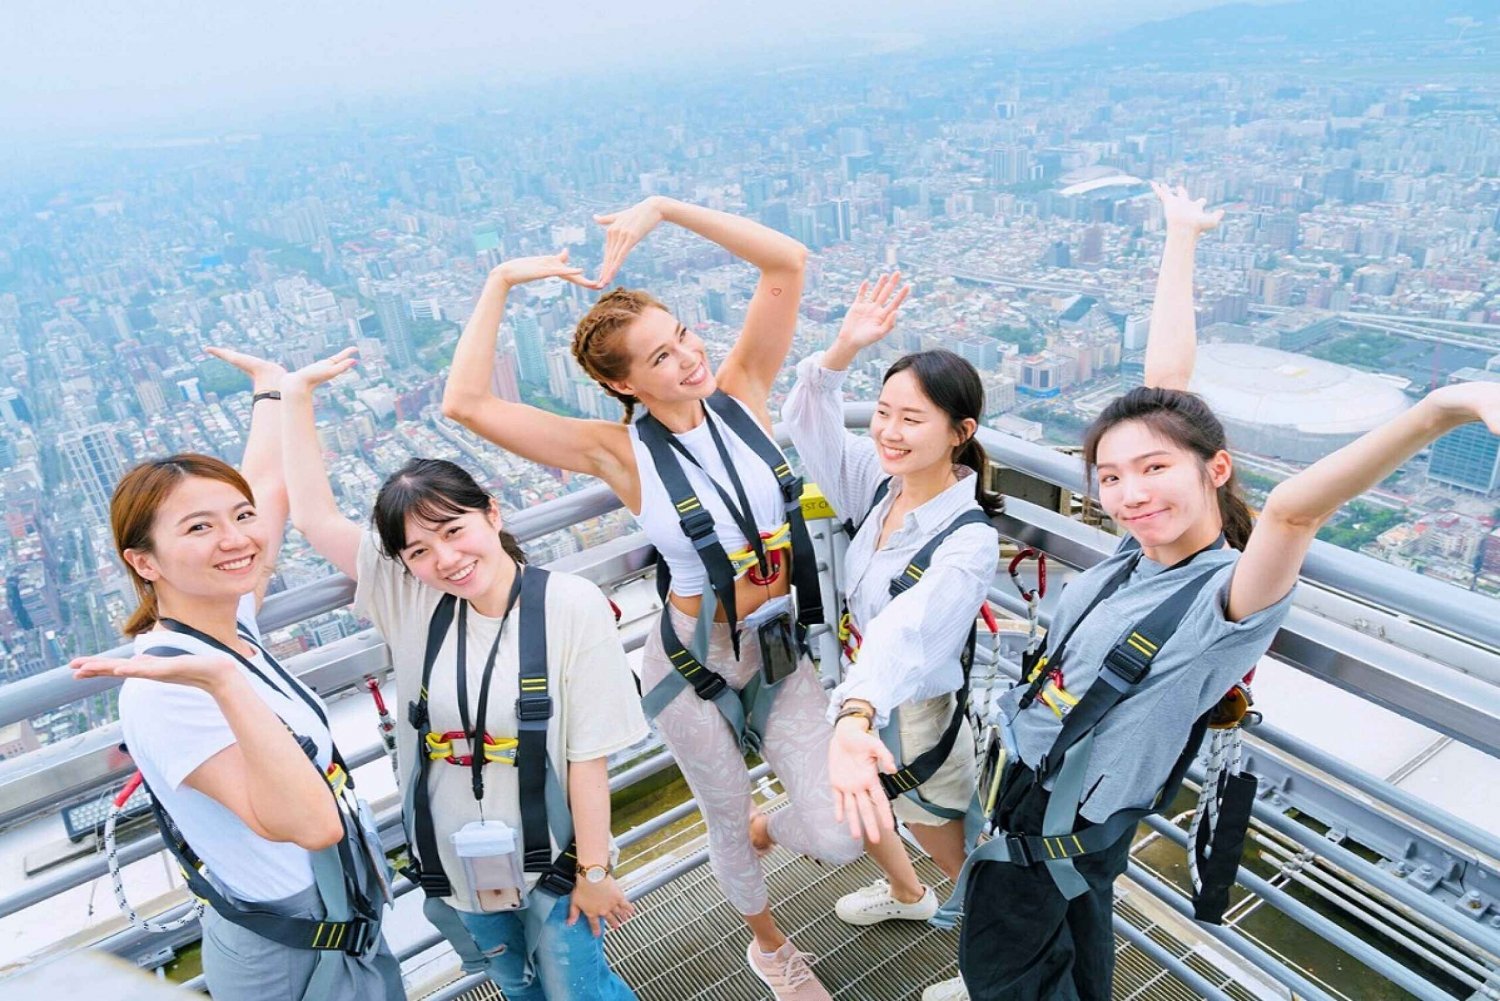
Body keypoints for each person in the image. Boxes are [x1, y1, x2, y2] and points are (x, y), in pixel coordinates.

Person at [946, 185, 1500, 1000]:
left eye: (1155, 469)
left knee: (1007, 968)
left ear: (1217, 468)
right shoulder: (1138, 557)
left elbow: (1294, 509)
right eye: (1111, 475)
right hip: (1034, 800)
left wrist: (1439, 411)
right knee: (1075, 937)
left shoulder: (1222, 601)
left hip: (1052, 832)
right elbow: (1166, 387)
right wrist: (1181, 238)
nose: (1129, 492)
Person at [441, 197, 860, 1000]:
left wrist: (665, 209)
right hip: (688, 665)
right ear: (620, 381)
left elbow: (787, 264)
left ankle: (770, 834)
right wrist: (499, 281)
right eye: (661, 358)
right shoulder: (617, 451)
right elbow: (467, 404)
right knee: (724, 811)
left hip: (777, 647)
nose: (688, 361)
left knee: (840, 833)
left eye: (684, 338)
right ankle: (771, 947)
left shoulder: (742, 395)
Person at [278, 350, 647, 1001]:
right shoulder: (413, 600)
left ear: (492, 514)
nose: (444, 558)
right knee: (516, 988)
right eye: (418, 550)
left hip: (556, 864)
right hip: (457, 864)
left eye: (454, 529)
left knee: (580, 991)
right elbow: (312, 515)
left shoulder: (566, 605)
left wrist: (594, 867)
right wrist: (295, 394)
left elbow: (589, 755)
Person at [71, 347, 402, 1001]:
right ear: (145, 561)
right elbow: (312, 825)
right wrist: (224, 681)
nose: (237, 538)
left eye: (240, 519)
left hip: (337, 911)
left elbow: (265, 486)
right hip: (291, 945)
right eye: (200, 527)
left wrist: (272, 393)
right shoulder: (172, 690)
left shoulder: (226, 618)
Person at [782, 274, 1001, 1001]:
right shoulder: (880, 485)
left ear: (960, 433)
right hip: (864, 704)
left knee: (960, 855)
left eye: (912, 419)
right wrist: (843, 348)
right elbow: (809, 421)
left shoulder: (966, 543)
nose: (888, 431)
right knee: (873, 810)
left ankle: (990, 967)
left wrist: (854, 711)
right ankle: (906, 894)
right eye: (881, 412)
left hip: (912, 716)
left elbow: (909, 633)